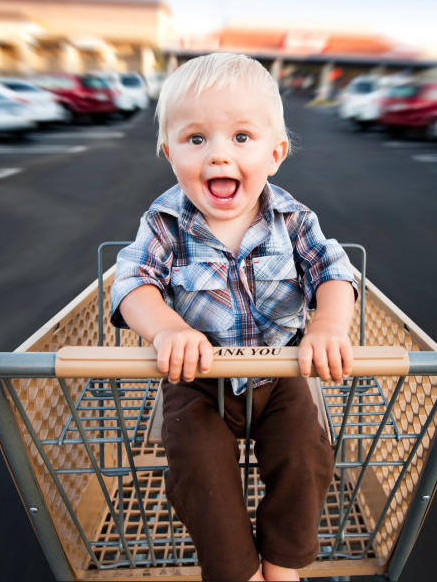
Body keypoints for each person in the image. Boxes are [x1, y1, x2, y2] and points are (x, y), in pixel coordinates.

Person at [110, 52, 358, 581]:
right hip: (196, 379)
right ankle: (235, 569)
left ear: (276, 152)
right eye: (196, 139)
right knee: (198, 469)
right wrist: (168, 328)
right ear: (168, 150)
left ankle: (282, 560)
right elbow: (132, 283)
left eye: (241, 138)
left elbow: (334, 272)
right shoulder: (165, 224)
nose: (219, 156)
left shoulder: (293, 221)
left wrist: (328, 325)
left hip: (280, 373)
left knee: (307, 457)